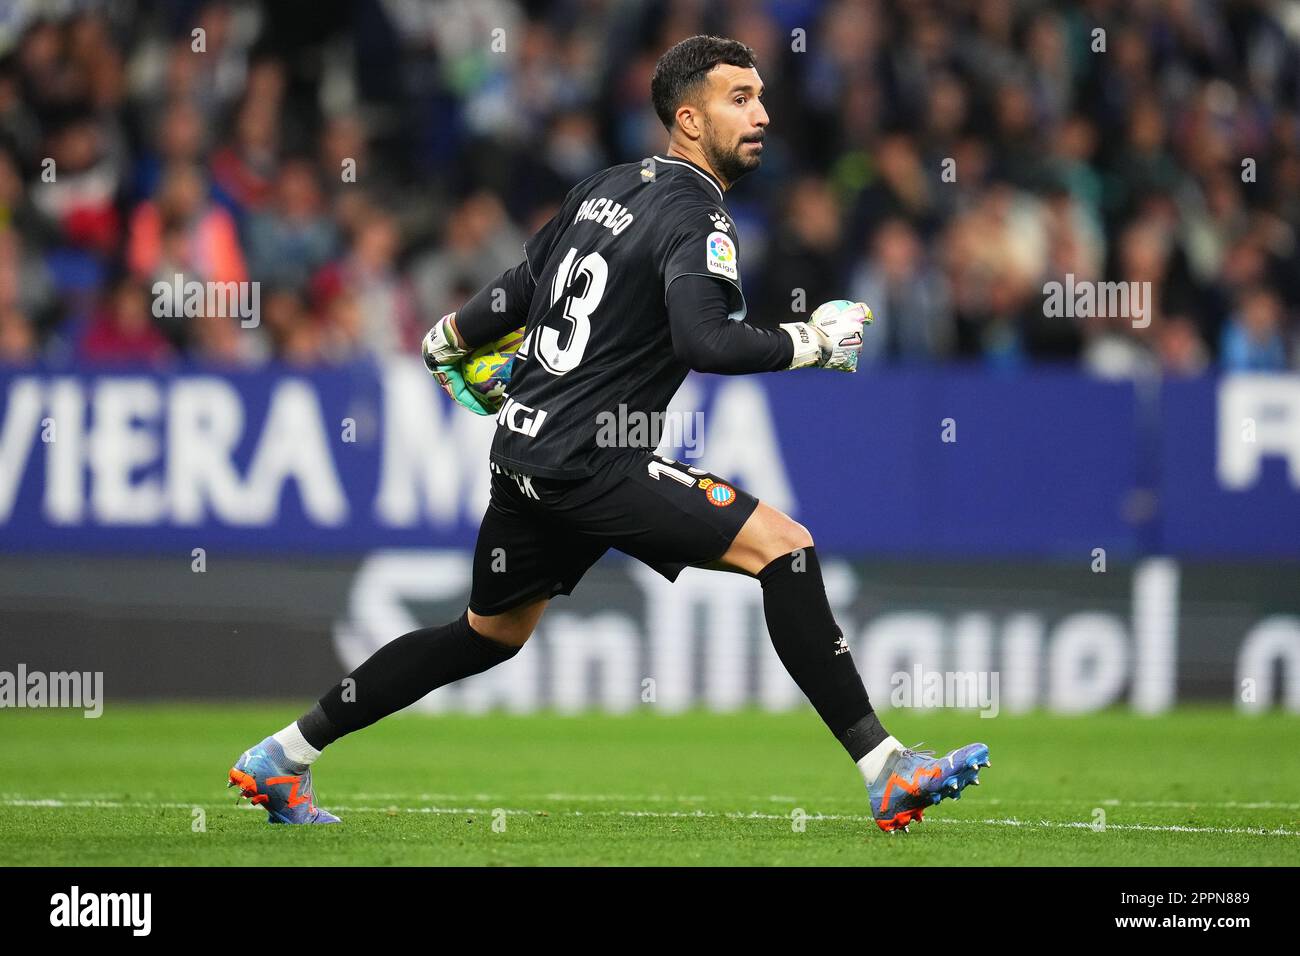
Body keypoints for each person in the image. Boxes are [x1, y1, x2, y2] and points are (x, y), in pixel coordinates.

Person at [228, 35, 989, 833]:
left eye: (762, 96)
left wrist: (450, 334)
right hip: (593, 460)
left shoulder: (604, 188)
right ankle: (886, 767)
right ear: (687, 120)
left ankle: (284, 756)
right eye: (741, 99)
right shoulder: (697, 214)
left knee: (486, 635)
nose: (762, 114)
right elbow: (706, 342)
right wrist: (814, 343)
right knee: (784, 547)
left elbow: (528, 284)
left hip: (525, 456)